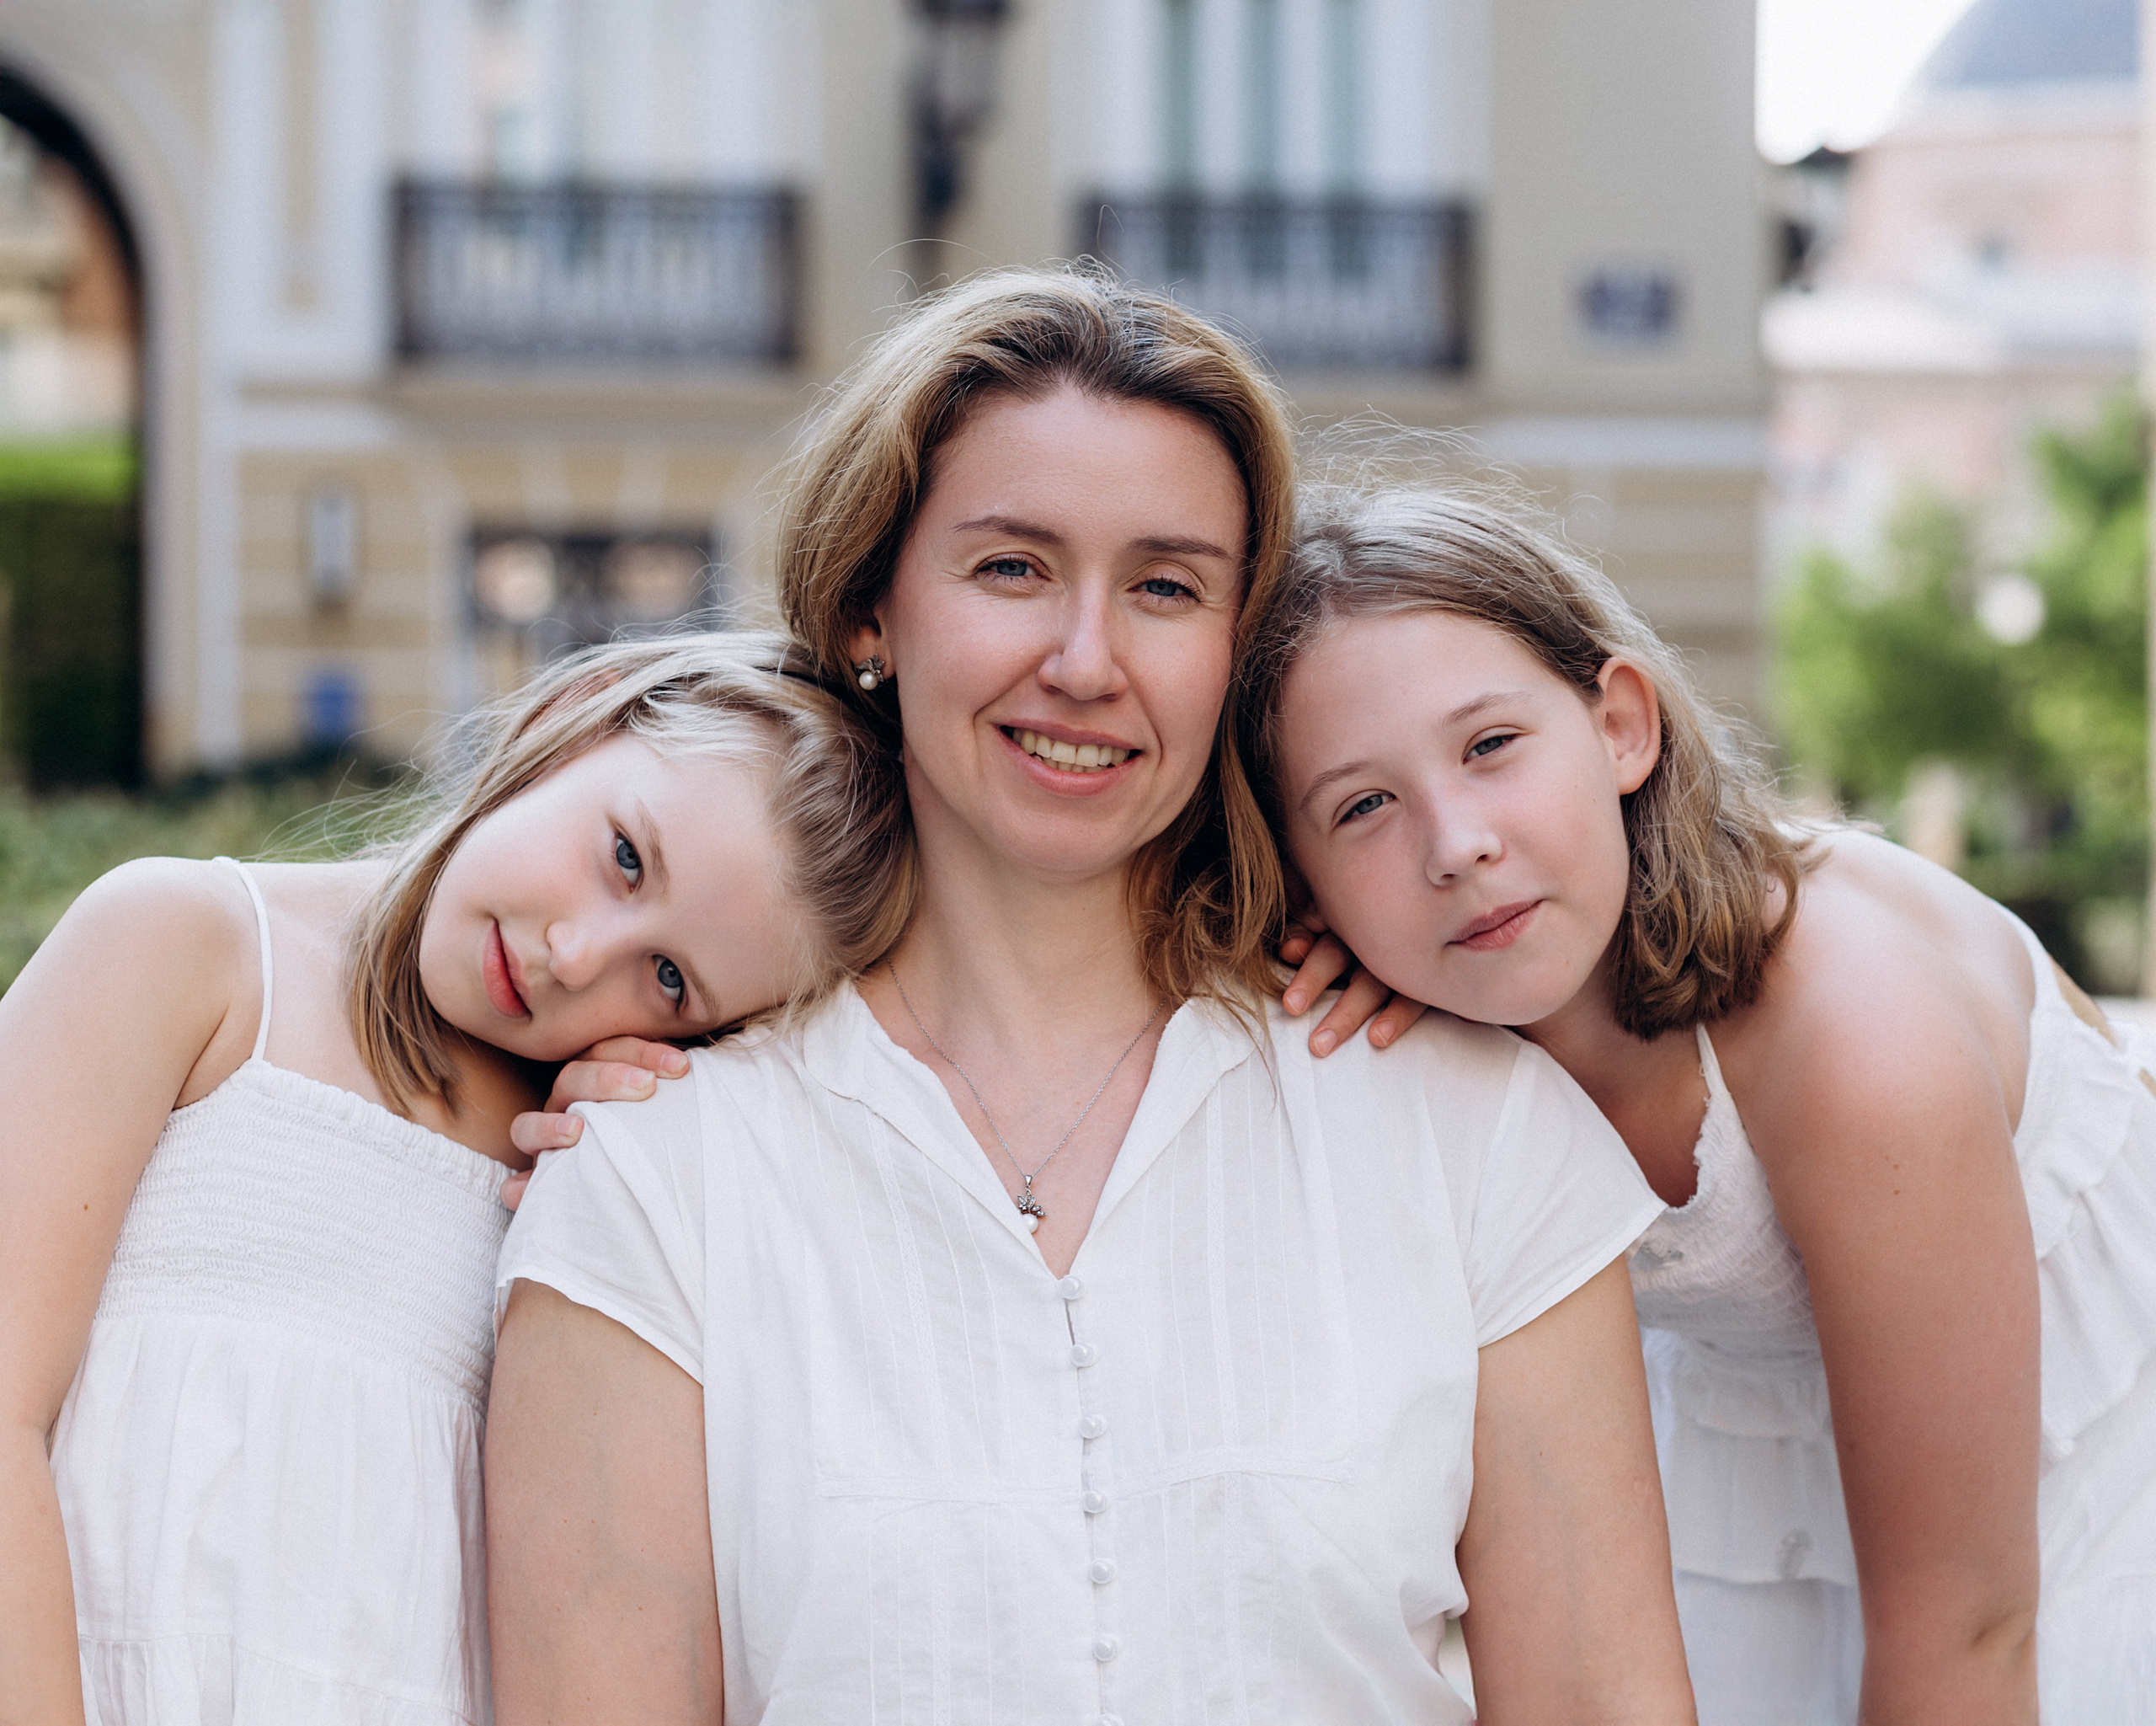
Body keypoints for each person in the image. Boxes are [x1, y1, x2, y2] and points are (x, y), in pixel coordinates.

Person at [486, 267, 1695, 1726]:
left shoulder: (1476, 1135)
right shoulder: (654, 1175)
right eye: (1011, 568)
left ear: (1234, 650)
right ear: (874, 605)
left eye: (1166, 588)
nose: (1084, 662)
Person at [1250, 483, 2156, 1724]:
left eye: (1491, 746)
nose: (1454, 843)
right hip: (1760, 1445)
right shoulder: (1421, 998)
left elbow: (1970, 1624)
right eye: (1363, 806)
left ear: (1621, 724)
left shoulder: (1854, 1041)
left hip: (2072, 1473)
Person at [0, 632, 908, 1726]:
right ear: (573, 718)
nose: (578, 954)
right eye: (624, 856)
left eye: (668, 978)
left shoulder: (580, 1179)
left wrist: (625, 1171)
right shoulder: (188, 947)